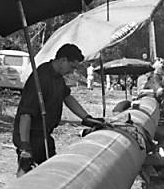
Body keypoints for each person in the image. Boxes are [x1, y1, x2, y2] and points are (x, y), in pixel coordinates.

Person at [13, 44, 102, 176]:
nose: (72, 72)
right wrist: (24, 145)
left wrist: (86, 117)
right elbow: (26, 113)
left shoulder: (58, 78)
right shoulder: (41, 78)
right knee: (28, 171)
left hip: (44, 134)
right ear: (63, 60)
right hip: (31, 134)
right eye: (72, 67)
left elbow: (67, 97)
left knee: (48, 171)